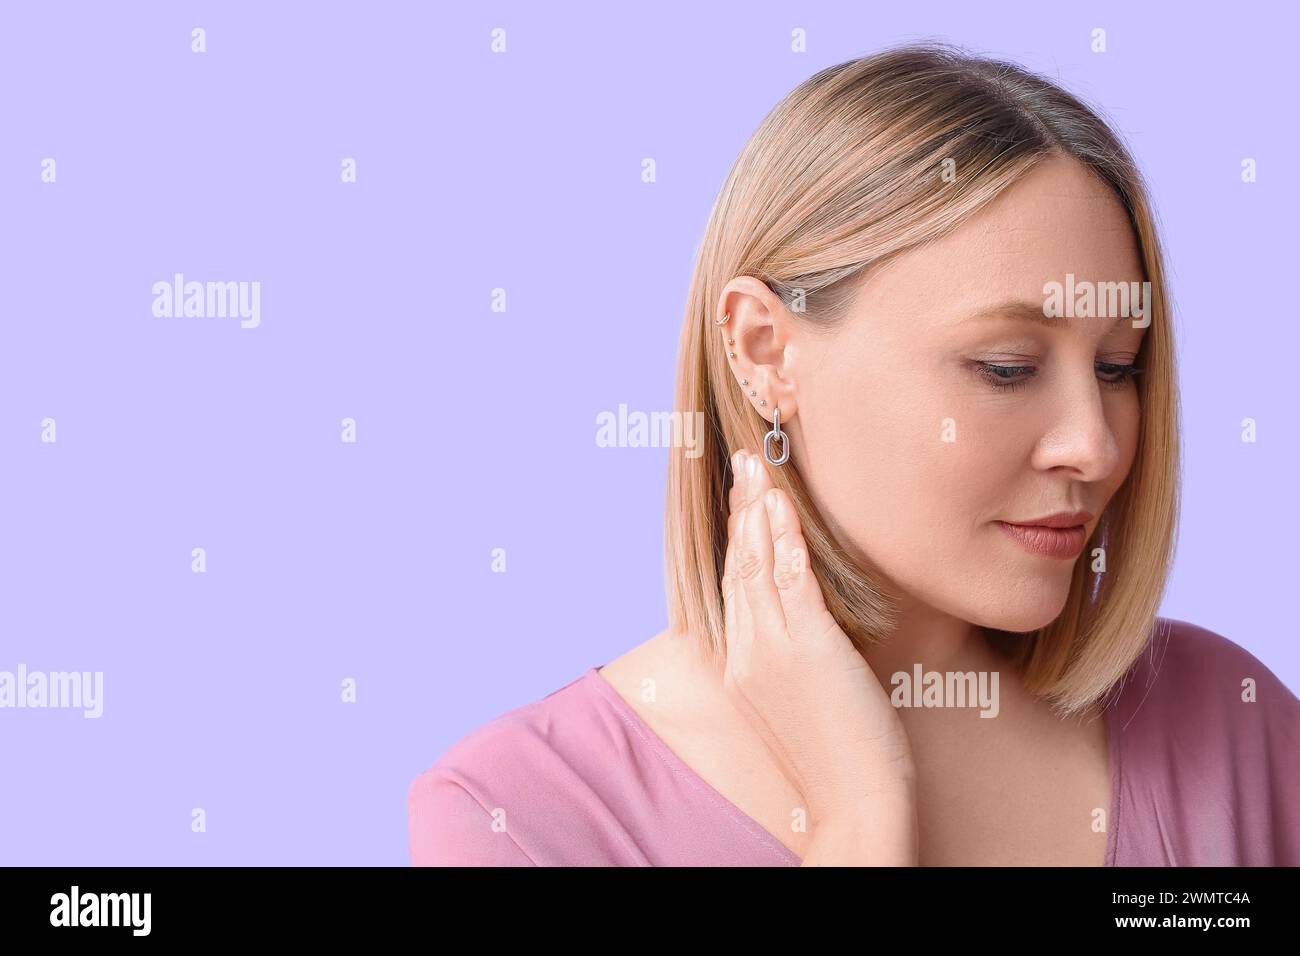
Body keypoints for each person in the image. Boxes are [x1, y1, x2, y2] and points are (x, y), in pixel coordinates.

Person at [408, 42, 1299, 866]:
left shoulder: (1234, 727)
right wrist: (860, 813)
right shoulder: (521, 815)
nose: (1094, 446)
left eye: (1117, 368)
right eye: (1006, 367)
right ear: (765, 351)